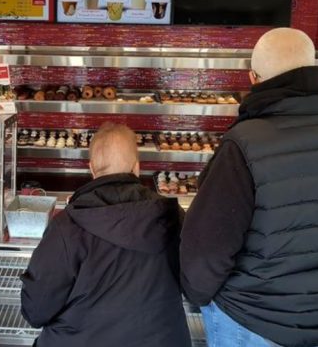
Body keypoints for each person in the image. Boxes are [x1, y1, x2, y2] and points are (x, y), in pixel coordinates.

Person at [180, 28, 318, 347]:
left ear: (253, 78)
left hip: (255, 321)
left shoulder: (244, 145)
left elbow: (207, 250)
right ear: (314, 71)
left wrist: (198, 294)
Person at [20, 123, 191, 347]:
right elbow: (195, 286)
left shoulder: (67, 226)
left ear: (92, 169)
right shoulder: (173, 216)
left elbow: (36, 311)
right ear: (137, 167)